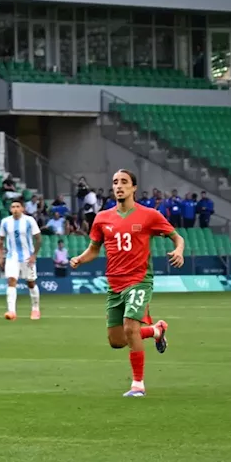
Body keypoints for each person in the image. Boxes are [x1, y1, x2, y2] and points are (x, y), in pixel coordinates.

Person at [70, 169, 185, 397]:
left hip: (139, 280)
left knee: (130, 327)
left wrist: (179, 249)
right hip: (115, 284)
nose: (119, 186)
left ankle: (138, 385)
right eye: (115, 182)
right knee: (116, 340)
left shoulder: (149, 215)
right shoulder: (102, 218)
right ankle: (156, 330)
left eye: (124, 182)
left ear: (133, 188)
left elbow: (176, 236)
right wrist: (80, 259)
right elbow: (94, 250)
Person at [0, 199, 42, 321]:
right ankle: (11, 311)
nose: (15, 209)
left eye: (17, 206)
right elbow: (0, 240)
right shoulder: (5, 222)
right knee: (11, 281)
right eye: (13, 207)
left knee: (31, 283)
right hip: (12, 257)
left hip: (28, 257)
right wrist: (1, 257)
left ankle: (35, 309)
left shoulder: (29, 220)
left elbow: (38, 239)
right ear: (10, 209)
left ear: (22, 208)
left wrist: (34, 255)